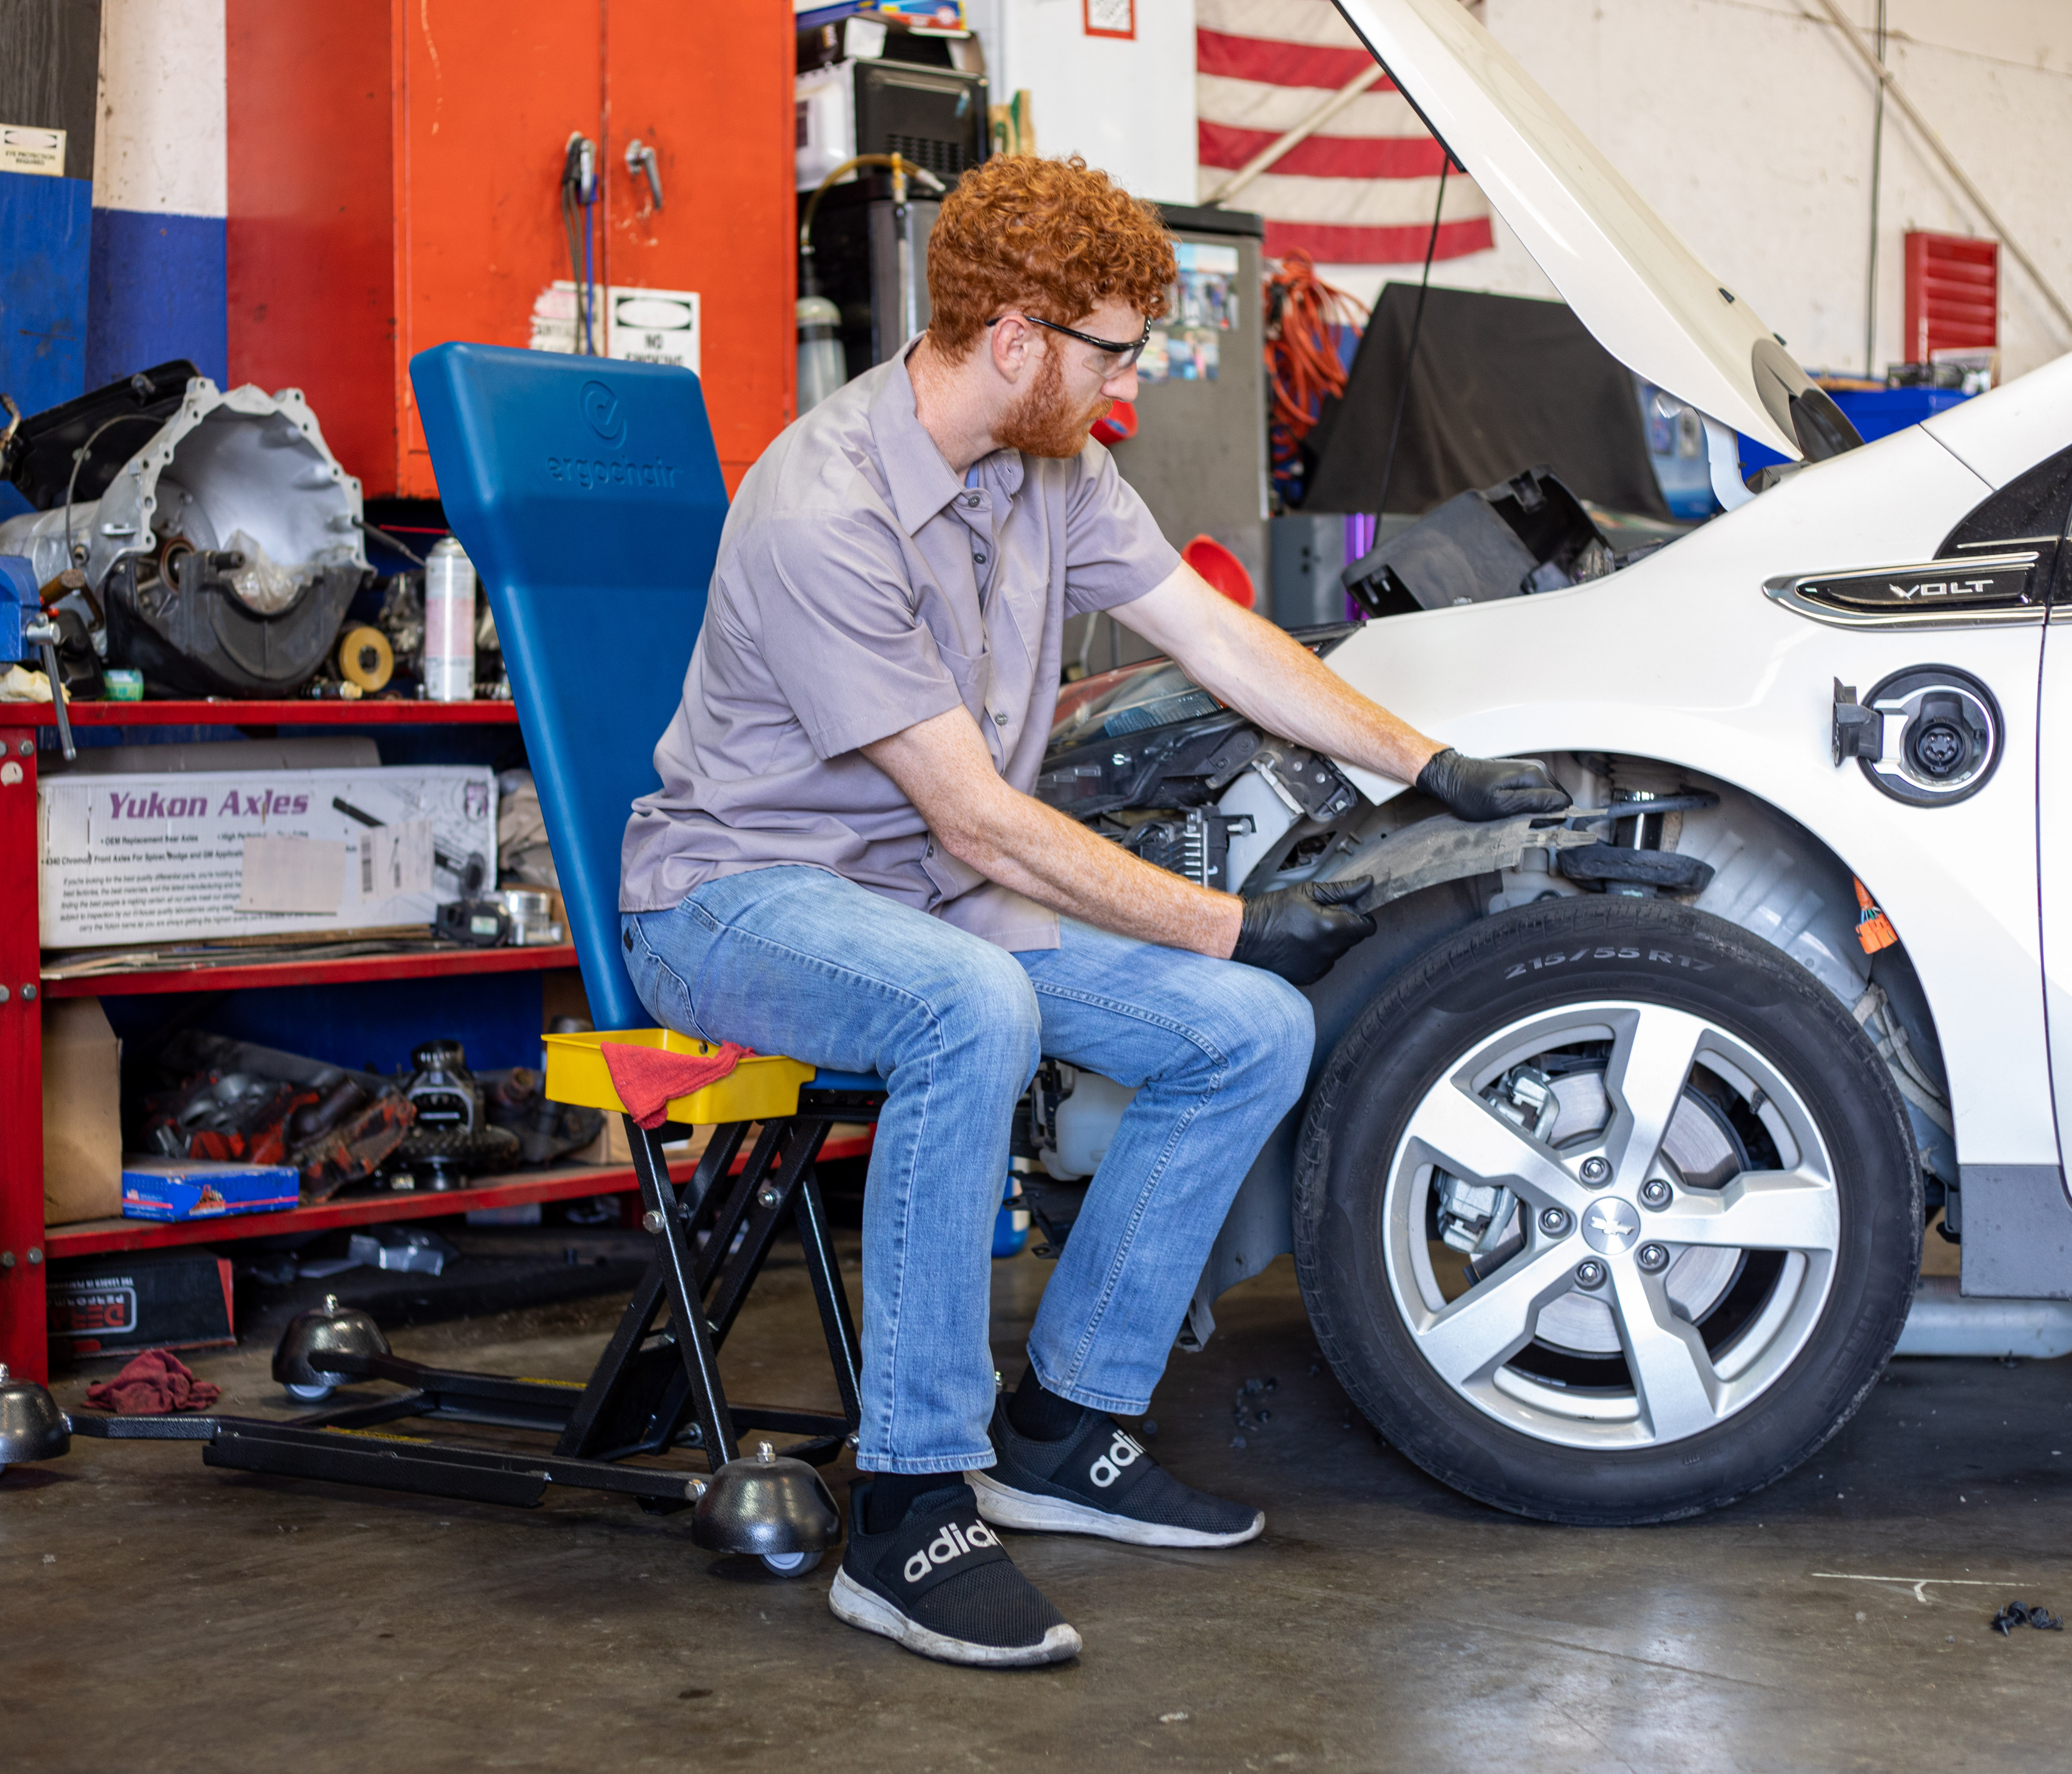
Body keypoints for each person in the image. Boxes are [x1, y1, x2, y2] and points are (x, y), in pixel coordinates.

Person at [619, 155, 1565, 1667]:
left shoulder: (1054, 468)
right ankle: (910, 1509)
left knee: (1252, 1033)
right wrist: (1227, 921)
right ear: (1017, 340)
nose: (1127, 385)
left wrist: (1428, 763)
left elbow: (1224, 639)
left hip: (928, 900)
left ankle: (1061, 1431)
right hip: (740, 900)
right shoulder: (826, 502)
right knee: (976, 1006)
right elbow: (976, 816)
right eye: (1114, 350)